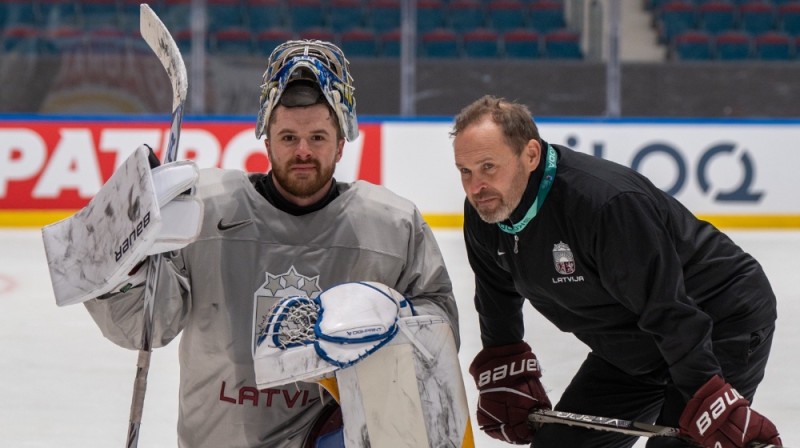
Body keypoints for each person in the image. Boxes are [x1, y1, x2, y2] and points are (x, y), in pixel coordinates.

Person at [81, 40, 459, 447]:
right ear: (266, 141)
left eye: (317, 137)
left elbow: (438, 330)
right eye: (288, 137)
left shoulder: (393, 226)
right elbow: (145, 327)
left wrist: (390, 320)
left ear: (340, 143)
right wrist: (128, 258)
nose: (303, 151)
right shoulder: (204, 210)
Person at [450, 95, 781, 448]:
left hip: (715, 321)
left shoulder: (605, 204)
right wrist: (505, 368)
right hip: (633, 340)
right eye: (465, 171)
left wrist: (708, 395)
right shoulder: (487, 212)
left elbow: (667, 308)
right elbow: (496, 297)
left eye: (488, 167)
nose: (476, 186)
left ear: (530, 155)